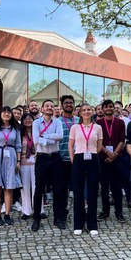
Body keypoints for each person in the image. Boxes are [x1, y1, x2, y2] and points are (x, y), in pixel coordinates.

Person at [68, 103, 103, 236]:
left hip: (93, 158)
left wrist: (92, 152)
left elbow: (99, 146)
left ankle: (92, 224)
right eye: (84, 110)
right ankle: (78, 224)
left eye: (89, 109)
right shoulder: (75, 127)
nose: (87, 112)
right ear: (80, 113)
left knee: (93, 192)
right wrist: (73, 159)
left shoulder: (98, 127)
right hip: (78, 158)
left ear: (92, 111)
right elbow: (71, 145)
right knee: (78, 192)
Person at [31, 99, 64, 232]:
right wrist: (49, 139)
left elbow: (60, 136)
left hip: (55, 158)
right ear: (42, 109)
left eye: (52, 106)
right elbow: (35, 139)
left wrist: (44, 136)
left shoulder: (58, 121)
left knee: (58, 190)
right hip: (42, 159)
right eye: (47, 106)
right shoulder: (36, 122)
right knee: (39, 189)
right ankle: (36, 218)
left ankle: (58, 218)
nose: (50, 108)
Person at [0, 106, 22, 226]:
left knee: (9, 188)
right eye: (4, 112)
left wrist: (18, 161)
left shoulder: (15, 129)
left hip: (11, 158)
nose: (6, 114)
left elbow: (18, 146)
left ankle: (7, 213)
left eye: (9, 112)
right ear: (0, 114)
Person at [96, 99, 126, 223]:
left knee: (117, 187)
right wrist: (107, 152)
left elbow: (122, 140)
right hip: (102, 158)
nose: (108, 108)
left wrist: (114, 154)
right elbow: (98, 141)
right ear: (102, 109)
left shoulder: (120, 122)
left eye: (110, 106)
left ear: (114, 108)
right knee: (104, 187)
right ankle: (105, 211)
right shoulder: (98, 123)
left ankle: (119, 212)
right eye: (106, 107)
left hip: (117, 158)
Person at [59, 95, 79, 223]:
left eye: (71, 103)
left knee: (78, 187)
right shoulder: (57, 121)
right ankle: (62, 214)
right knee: (61, 189)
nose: (69, 105)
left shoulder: (79, 120)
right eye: (66, 103)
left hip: (77, 159)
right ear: (62, 105)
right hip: (61, 159)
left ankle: (79, 213)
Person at [19, 113, 41, 220]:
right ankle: (26, 210)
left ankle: (40, 209)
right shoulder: (20, 133)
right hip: (23, 163)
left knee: (37, 187)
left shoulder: (37, 131)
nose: (28, 120)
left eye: (30, 119)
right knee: (25, 187)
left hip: (36, 162)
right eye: (25, 119)